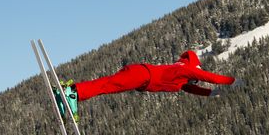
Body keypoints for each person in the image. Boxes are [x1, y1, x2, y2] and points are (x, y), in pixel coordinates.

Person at [58, 51, 237, 122]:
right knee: (107, 85)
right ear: (194, 70)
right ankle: (73, 92)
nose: (194, 82)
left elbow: (190, 89)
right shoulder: (187, 71)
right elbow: (209, 76)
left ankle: (67, 93)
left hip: (140, 75)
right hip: (142, 75)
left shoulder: (180, 79)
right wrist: (232, 81)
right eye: (194, 79)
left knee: (108, 85)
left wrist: (212, 94)